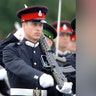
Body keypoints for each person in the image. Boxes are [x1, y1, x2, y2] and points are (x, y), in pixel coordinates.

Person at [2, 5, 73, 96]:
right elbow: (20, 67)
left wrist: (61, 89)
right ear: (24, 25)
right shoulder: (12, 49)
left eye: (41, 25)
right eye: (34, 24)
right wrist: (39, 76)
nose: (38, 28)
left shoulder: (46, 53)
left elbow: (53, 82)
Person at [52, 20, 76, 95]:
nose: (65, 38)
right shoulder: (47, 55)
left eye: (68, 35)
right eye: (61, 35)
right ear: (54, 38)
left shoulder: (74, 58)